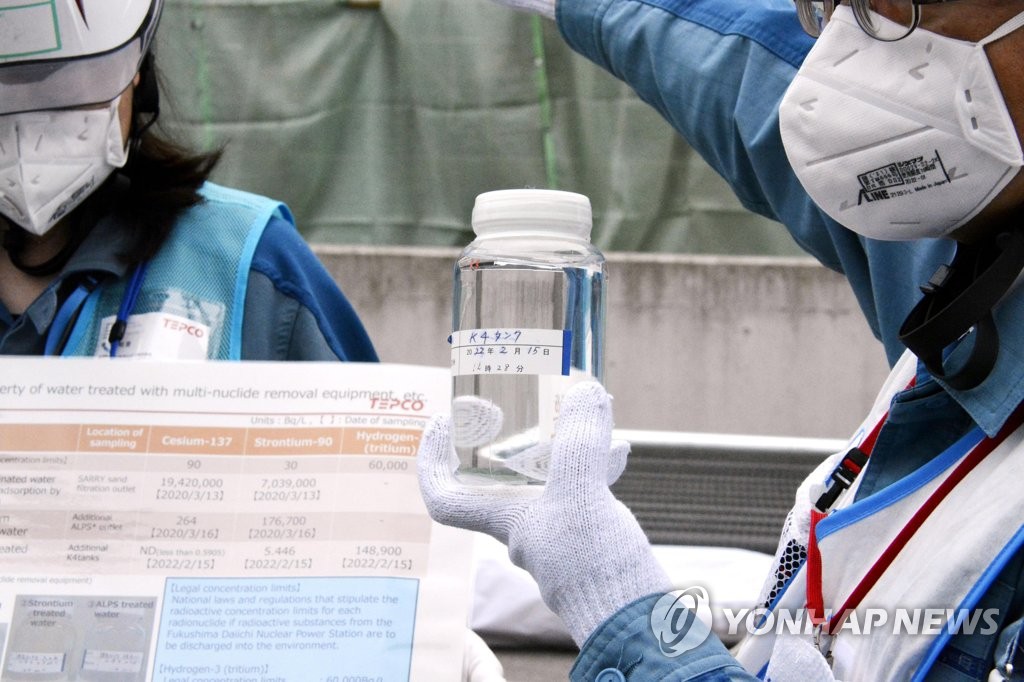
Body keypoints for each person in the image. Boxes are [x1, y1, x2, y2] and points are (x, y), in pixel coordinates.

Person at [418, 0, 1024, 679]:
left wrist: (613, 595)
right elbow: (743, 71)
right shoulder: (984, 275)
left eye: (904, 6)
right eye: (831, 7)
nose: (847, 60)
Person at [0, 0, 377, 361]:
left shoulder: (251, 268)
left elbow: (362, 422)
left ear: (137, 70)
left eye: (70, 84)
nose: (27, 124)